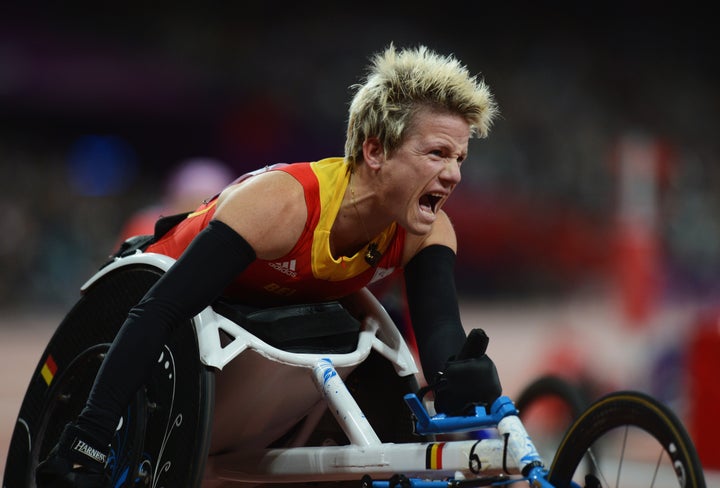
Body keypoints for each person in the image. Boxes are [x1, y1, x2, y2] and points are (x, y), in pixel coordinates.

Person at [36, 43, 503, 487]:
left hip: (268, 321)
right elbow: (159, 311)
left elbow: (441, 332)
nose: (454, 174)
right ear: (375, 151)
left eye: (460, 157)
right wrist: (92, 434)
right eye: (438, 153)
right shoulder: (284, 204)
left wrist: (460, 373)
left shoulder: (428, 229)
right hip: (163, 288)